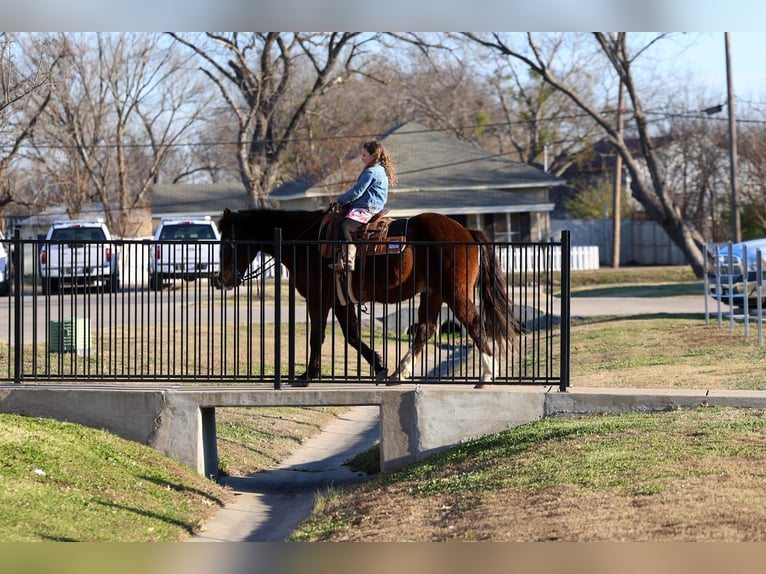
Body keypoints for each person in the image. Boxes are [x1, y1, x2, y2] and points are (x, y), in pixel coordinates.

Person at [329, 139, 397, 272]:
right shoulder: (380, 170)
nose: (362, 159)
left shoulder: (370, 172)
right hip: (373, 206)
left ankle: (348, 259)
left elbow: (357, 192)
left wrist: (339, 199)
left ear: (373, 156)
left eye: (364, 155)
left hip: (366, 207)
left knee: (344, 226)